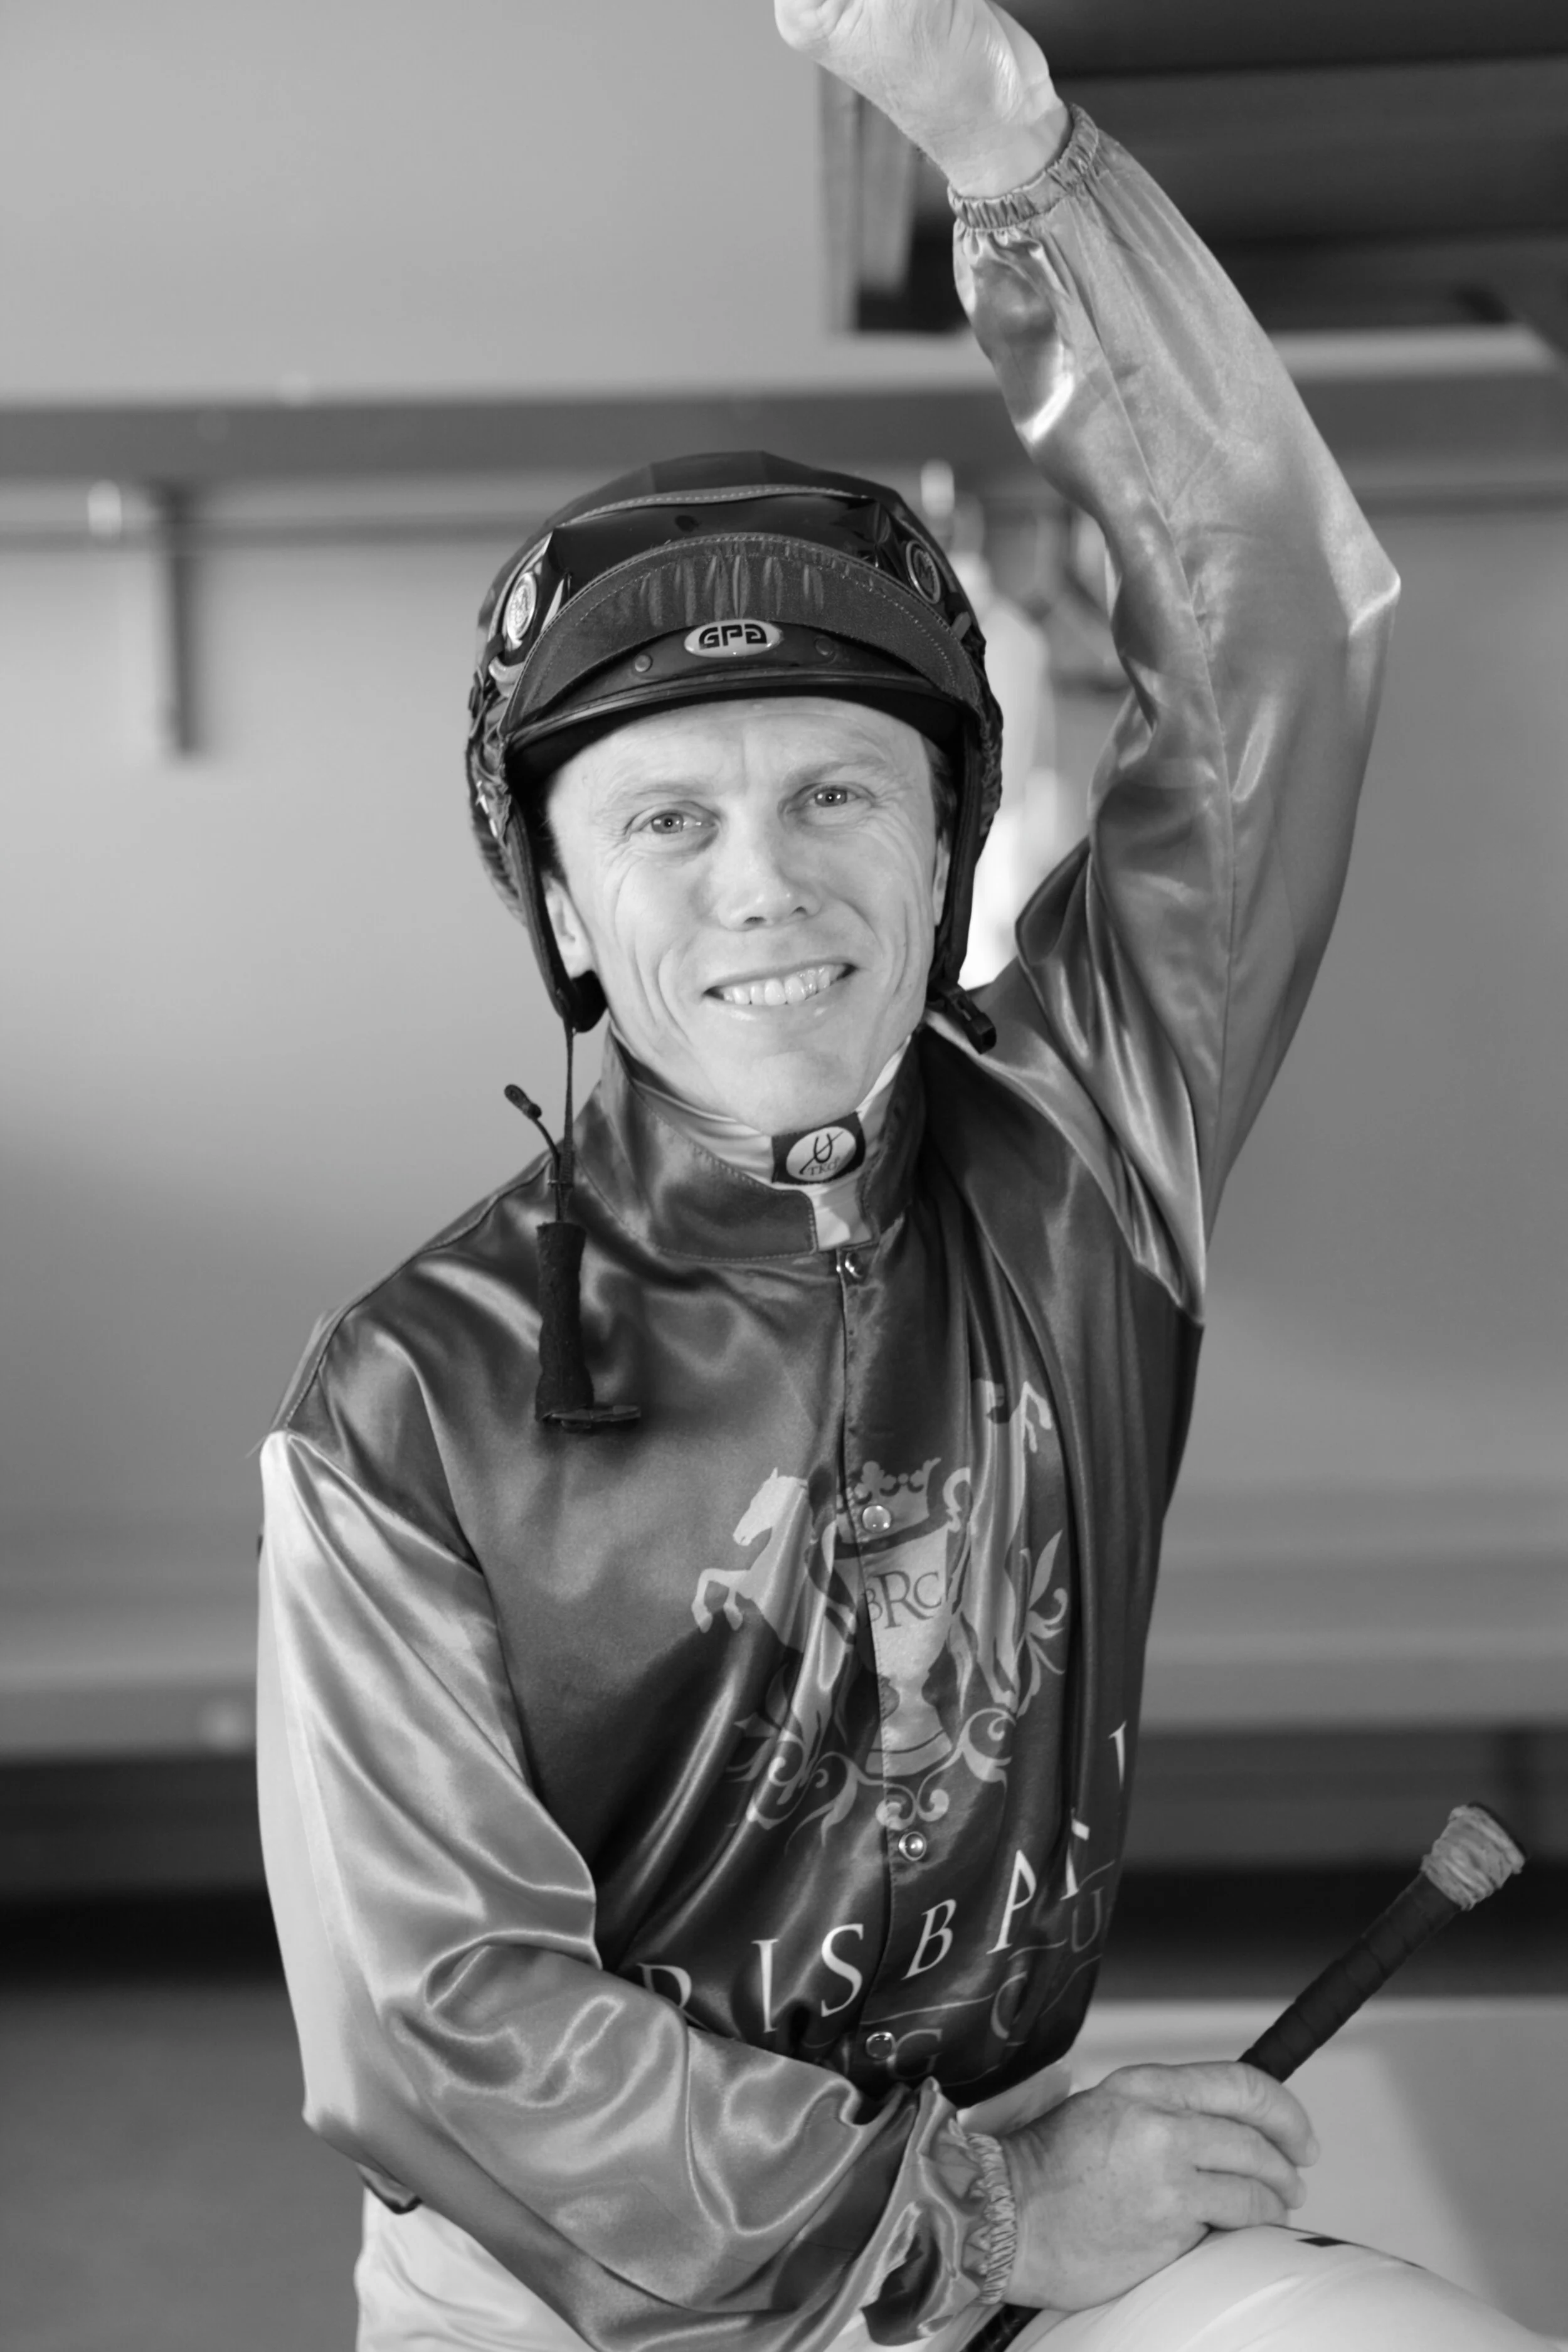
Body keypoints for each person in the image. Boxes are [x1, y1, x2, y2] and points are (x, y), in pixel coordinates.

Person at [255, 4, 1546, 2346]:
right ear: (560, 909)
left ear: (948, 842)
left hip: (1008, 2212)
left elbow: (1270, 657)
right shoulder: (397, 1397)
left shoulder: (1085, 1143)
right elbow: (433, 2018)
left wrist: (1027, 179)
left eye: (839, 793)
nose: (766, 881)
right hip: (577, 2282)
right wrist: (964, 2210)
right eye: (668, 819)